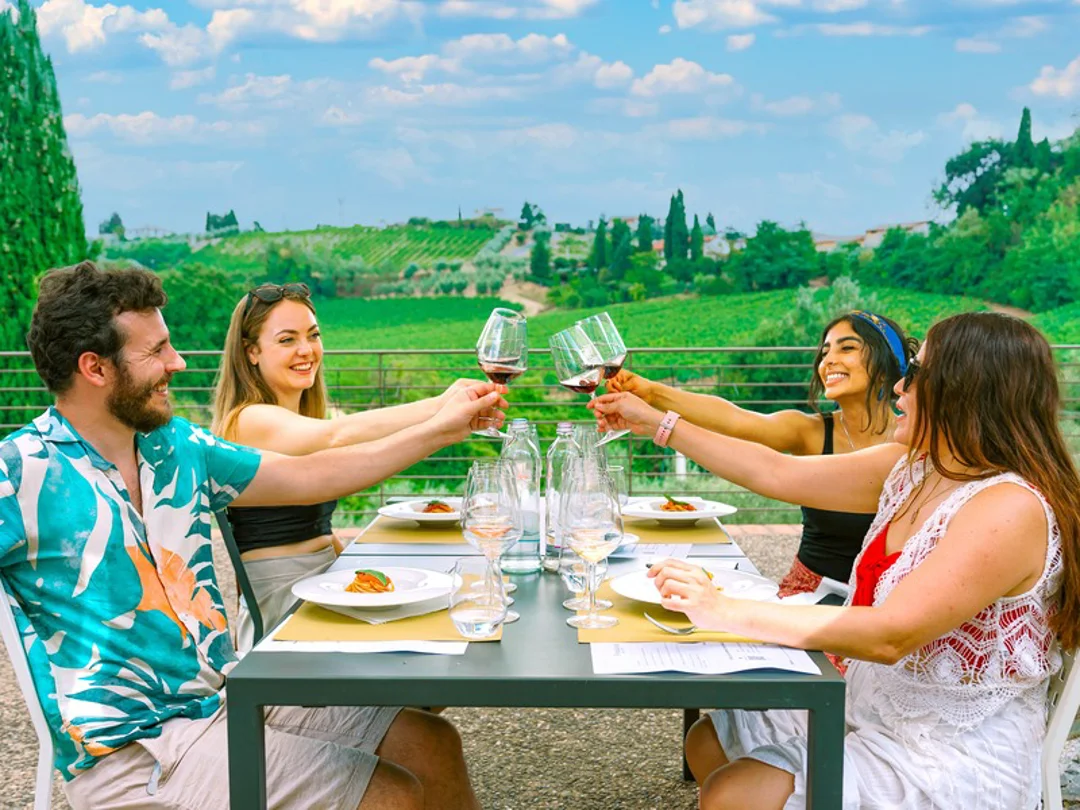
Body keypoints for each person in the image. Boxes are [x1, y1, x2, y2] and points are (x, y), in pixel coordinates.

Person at [0, 262, 503, 810]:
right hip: (135, 752)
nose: (178, 362)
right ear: (95, 368)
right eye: (156, 352)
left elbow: (314, 474)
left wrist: (439, 431)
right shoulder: (21, 473)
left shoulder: (178, 446)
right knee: (391, 795)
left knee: (432, 744)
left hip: (227, 699)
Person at [592, 312, 1079, 809]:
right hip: (873, 708)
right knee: (707, 739)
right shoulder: (917, 467)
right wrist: (657, 423)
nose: (900, 385)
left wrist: (721, 609)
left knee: (733, 792)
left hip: (947, 749)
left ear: (966, 389)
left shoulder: (1009, 507)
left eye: (917, 372)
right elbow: (775, 471)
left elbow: (891, 634)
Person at [211, 282, 486, 649]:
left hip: (325, 587)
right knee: (441, 639)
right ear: (252, 352)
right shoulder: (248, 420)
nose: (306, 350)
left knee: (446, 621)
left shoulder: (294, 419)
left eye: (313, 335)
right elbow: (337, 437)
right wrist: (440, 406)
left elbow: (318, 532)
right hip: (285, 608)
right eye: (287, 340)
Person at [607, 310, 917, 597]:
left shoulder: (915, 442)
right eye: (825, 352)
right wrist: (652, 393)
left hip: (886, 603)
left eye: (846, 348)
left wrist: (657, 421)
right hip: (810, 595)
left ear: (887, 361)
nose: (829, 361)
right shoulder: (809, 431)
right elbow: (734, 418)